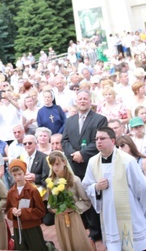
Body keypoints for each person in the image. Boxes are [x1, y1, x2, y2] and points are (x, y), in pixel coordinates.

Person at [82, 127, 146, 251]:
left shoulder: (127, 160)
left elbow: (142, 187)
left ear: (112, 141)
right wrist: (96, 187)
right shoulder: (93, 162)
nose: (98, 141)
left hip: (129, 212)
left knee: (134, 246)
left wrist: (139, 208)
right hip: (109, 214)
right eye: (97, 139)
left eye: (102, 138)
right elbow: (86, 185)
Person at [61, 90, 108, 241]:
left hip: (92, 164)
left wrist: (83, 154)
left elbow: (99, 141)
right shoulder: (70, 120)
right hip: (75, 165)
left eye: (85, 99)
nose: (82, 101)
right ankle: (88, 229)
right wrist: (74, 154)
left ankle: (99, 232)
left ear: (90, 101)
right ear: (76, 101)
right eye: (80, 99)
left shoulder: (100, 119)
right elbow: (65, 140)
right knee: (82, 197)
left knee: (94, 198)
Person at [46, 150, 93, 251]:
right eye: (52, 165)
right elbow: (49, 202)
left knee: (78, 243)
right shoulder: (51, 182)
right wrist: (53, 208)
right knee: (65, 243)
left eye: (57, 164)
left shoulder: (75, 180)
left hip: (73, 217)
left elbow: (86, 201)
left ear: (64, 162)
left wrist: (72, 207)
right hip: (59, 218)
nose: (55, 168)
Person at [5, 159, 48, 251]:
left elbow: (41, 211)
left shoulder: (33, 191)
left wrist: (24, 212)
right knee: (21, 248)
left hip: (32, 227)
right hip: (18, 228)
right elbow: (7, 209)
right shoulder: (11, 192)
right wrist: (12, 211)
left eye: (20, 174)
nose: (17, 177)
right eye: (14, 175)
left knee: (37, 247)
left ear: (24, 173)